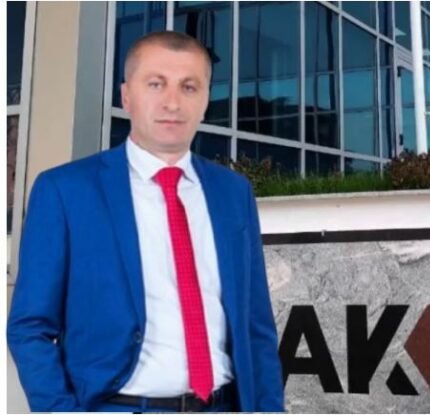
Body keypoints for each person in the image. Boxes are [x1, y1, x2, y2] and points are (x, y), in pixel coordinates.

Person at [7, 30, 284, 412]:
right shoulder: (66, 191)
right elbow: (30, 327)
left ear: (205, 100)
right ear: (127, 96)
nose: (172, 102)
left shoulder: (233, 193)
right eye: (156, 84)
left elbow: (256, 326)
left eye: (189, 87)